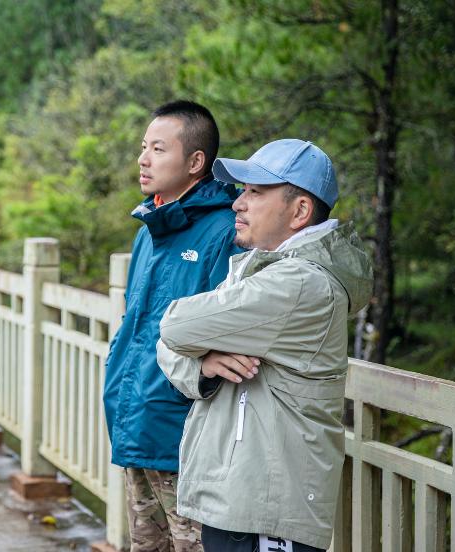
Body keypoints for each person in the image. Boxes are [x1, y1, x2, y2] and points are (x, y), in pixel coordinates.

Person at [156, 139, 373, 552]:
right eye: (242, 191)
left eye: (255, 192)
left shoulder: (300, 284)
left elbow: (175, 325)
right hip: (241, 494)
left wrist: (194, 345)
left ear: (300, 211)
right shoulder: (261, 270)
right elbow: (169, 344)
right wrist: (203, 367)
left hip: (269, 504)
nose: (238, 203)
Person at [102, 100, 243, 551]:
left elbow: (232, 332)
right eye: (144, 147)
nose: (143, 159)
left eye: (158, 149)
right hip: (136, 420)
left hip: (186, 438)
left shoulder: (224, 233)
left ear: (196, 161)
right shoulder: (149, 230)